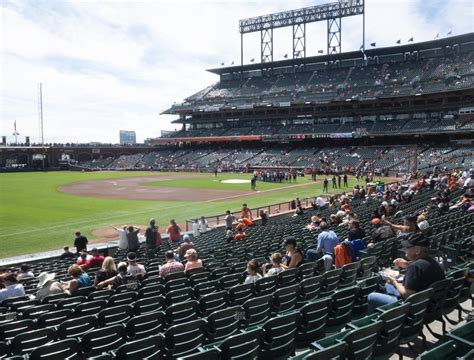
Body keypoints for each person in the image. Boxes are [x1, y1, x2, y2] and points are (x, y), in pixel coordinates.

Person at [367, 233, 445, 313]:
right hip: (429, 303)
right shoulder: (433, 261)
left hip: (413, 307)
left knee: (371, 296)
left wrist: (394, 282)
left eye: (408, 247)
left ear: (418, 251)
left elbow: (407, 293)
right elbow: (423, 269)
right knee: (387, 284)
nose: (405, 249)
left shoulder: (415, 267)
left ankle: (377, 321)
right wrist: (407, 264)